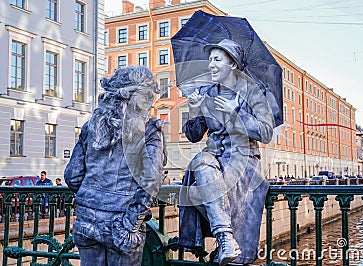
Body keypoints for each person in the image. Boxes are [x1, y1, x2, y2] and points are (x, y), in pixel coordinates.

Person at [178, 39, 275, 265]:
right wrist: (193, 111)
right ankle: (225, 238)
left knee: (198, 186)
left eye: (217, 59)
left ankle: (227, 240)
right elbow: (194, 136)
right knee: (200, 161)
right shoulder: (205, 92)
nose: (211, 64)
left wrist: (236, 115)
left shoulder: (254, 93)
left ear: (232, 64)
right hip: (212, 157)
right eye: (210, 59)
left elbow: (266, 133)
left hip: (243, 159)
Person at [64, 66, 166, 266]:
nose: (151, 102)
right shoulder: (149, 129)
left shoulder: (92, 125)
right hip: (122, 222)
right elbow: (151, 181)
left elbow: (72, 176)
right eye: (148, 95)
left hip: (86, 219)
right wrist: (132, 222)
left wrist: (91, 197)